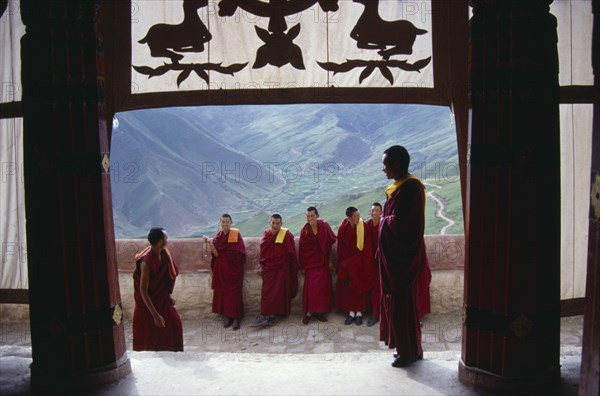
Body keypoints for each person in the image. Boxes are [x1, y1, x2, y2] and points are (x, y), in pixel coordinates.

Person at [378, 145, 429, 368]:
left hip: (403, 260)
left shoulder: (411, 189)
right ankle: (407, 348)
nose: (383, 169)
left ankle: (408, 352)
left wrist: (382, 222)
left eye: (385, 164)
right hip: (396, 258)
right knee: (399, 306)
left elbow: (403, 225)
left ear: (397, 164)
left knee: (403, 307)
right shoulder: (399, 188)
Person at [133, 227, 183, 351]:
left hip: (162, 299)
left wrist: (167, 295)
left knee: (175, 325)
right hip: (147, 304)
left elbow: (165, 278)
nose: (167, 241)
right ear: (161, 241)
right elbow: (143, 291)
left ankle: (172, 353)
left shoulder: (163, 254)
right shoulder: (146, 262)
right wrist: (155, 315)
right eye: (166, 238)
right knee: (148, 336)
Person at [251, 214, 299, 327]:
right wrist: (261, 265)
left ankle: (273, 316)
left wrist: (292, 269)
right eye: (273, 223)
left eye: (278, 223)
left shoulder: (286, 234)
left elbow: (292, 254)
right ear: (269, 223)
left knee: (278, 293)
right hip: (269, 269)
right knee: (267, 293)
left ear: (281, 224)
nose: (275, 225)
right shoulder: (266, 234)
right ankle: (265, 314)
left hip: (282, 270)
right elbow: (263, 251)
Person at [204, 214, 246, 331]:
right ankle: (227, 316)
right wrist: (210, 243)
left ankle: (236, 317)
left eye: (227, 222)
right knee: (223, 293)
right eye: (223, 222)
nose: (225, 224)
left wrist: (228, 256)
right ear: (220, 222)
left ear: (231, 222)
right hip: (221, 271)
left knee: (234, 294)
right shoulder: (218, 236)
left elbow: (240, 254)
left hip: (233, 271)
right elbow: (216, 254)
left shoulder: (235, 234)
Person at [335, 207, 376, 326]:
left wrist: (356, 262)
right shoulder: (343, 229)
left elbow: (368, 248)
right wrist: (348, 264)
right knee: (348, 285)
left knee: (360, 283)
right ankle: (351, 313)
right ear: (349, 218)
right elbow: (341, 250)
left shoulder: (363, 227)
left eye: (359, 215)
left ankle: (359, 313)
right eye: (356, 216)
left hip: (361, 263)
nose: (359, 218)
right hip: (348, 263)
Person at [298, 206, 337, 325]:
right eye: (308, 216)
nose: (310, 218)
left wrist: (330, 261)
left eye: (312, 216)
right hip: (311, 264)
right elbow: (302, 250)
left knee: (322, 289)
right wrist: (303, 266)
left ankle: (320, 312)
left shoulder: (324, 226)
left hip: (323, 263)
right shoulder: (304, 230)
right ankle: (309, 313)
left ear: (317, 215)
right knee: (311, 289)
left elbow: (329, 243)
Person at [365, 202, 382, 327]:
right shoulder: (366, 225)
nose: (374, 213)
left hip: (382, 262)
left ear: (381, 213)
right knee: (372, 288)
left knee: (381, 288)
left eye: (377, 210)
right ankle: (373, 312)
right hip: (369, 261)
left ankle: (380, 313)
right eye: (373, 210)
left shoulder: (384, 224)